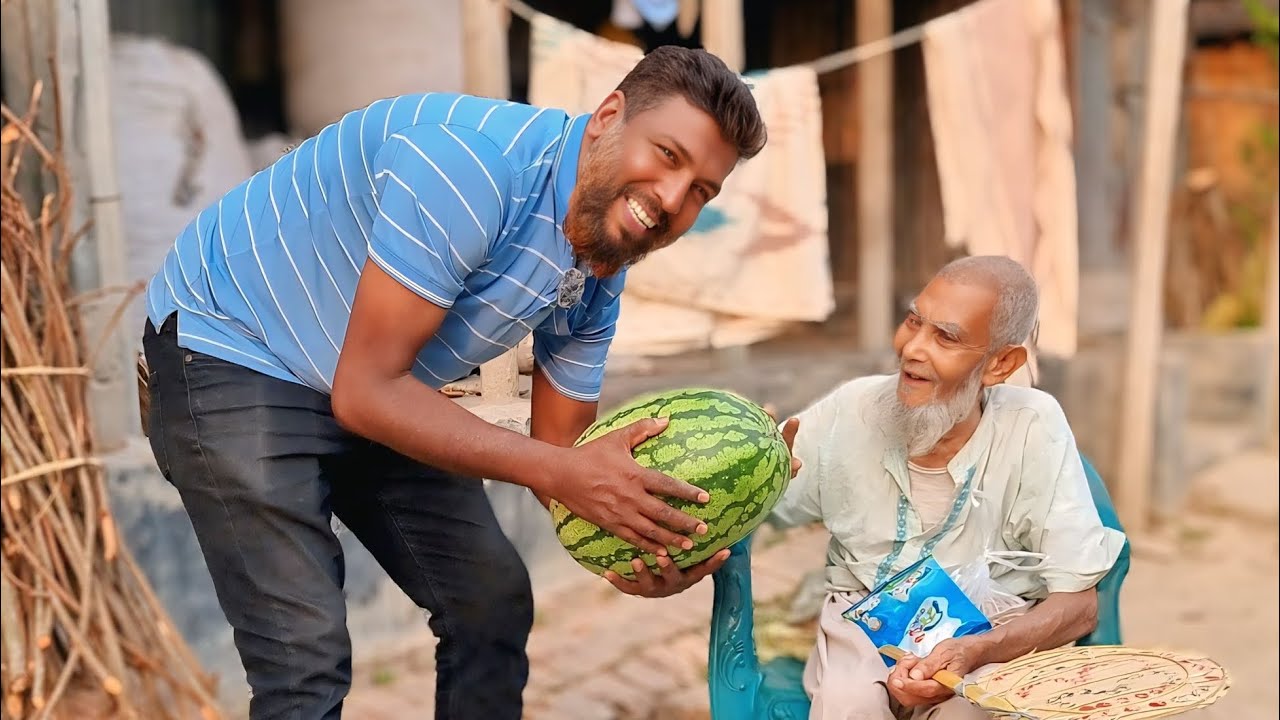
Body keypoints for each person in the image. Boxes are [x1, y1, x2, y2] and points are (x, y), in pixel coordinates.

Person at [140, 46, 766, 720]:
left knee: (490, 603)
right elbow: (369, 395)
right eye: (668, 155)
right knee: (303, 659)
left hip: (375, 378)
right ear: (609, 114)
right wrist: (564, 476)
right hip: (233, 347)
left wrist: (633, 550)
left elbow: (564, 456)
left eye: (702, 189)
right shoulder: (468, 169)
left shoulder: (598, 268)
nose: (673, 200)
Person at [770, 256, 1127, 720]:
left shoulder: (1033, 426)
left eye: (946, 337)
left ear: (1001, 363)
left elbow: (1080, 605)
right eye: (913, 321)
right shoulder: (849, 411)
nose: (912, 349)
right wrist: (759, 478)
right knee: (847, 707)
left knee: (969, 711)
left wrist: (979, 649)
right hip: (864, 615)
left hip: (989, 628)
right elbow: (759, 509)